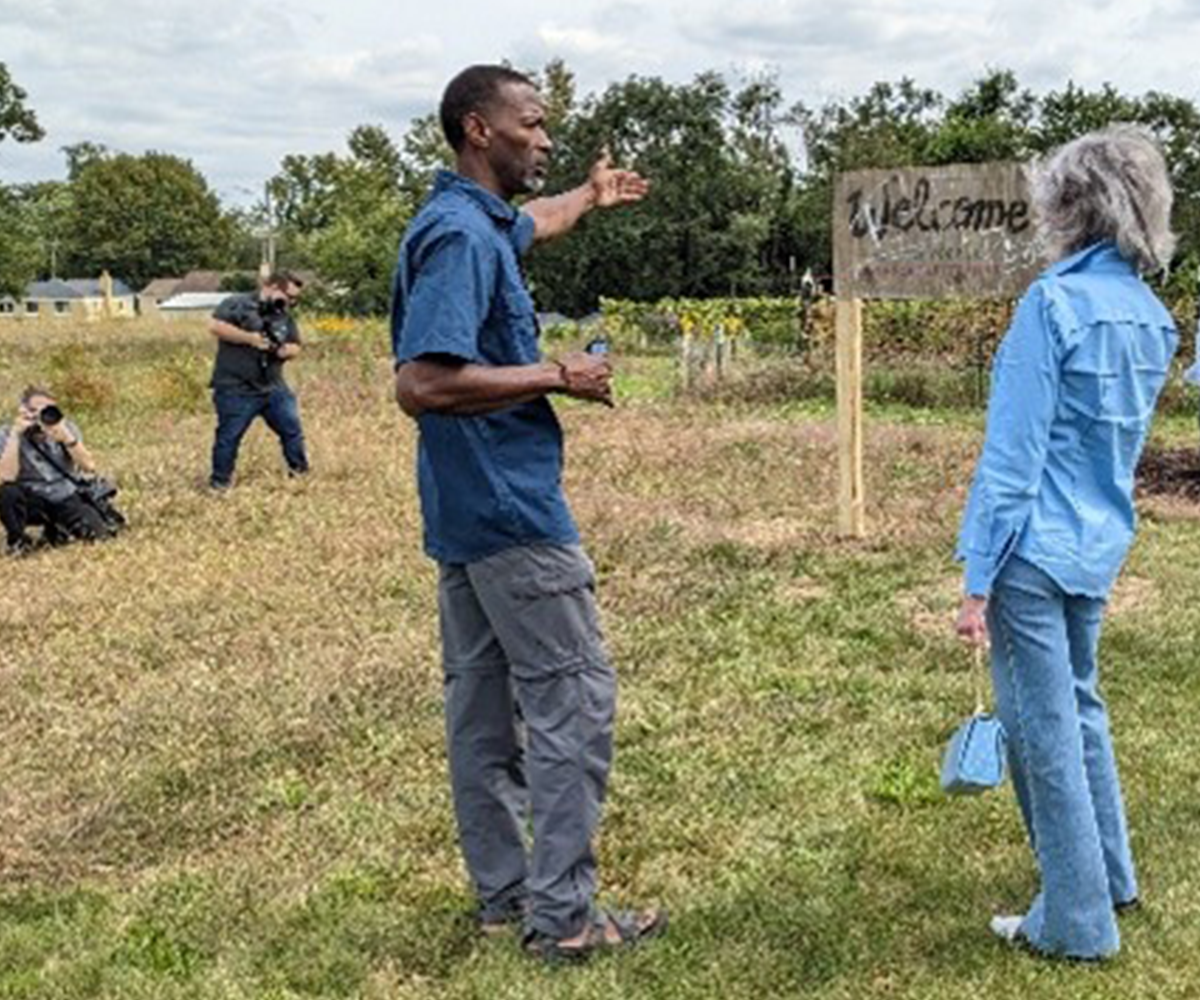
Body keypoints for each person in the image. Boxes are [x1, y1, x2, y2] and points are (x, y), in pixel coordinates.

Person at [391, 64, 665, 961]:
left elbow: (532, 224)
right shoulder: (462, 241)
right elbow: (422, 381)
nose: (546, 138)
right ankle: (565, 920)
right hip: (512, 514)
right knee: (573, 702)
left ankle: (507, 899)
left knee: (482, 713)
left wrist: (587, 195)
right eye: (534, 123)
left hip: (464, 515)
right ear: (479, 129)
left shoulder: (471, 221)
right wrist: (558, 373)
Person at [955, 125, 1178, 960]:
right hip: (1096, 542)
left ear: (1068, 204)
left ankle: (1076, 920)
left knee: (1042, 731)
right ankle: (1111, 875)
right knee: (1081, 710)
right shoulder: (1151, 318)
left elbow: (1012, 462)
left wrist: (977, 581)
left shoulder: (1052, 304)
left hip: (1031, 551)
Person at [208, 271, 309, 489]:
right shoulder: (237, 304)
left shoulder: (284, 315)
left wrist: (286, 351)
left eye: (294, 299)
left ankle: (300, 474)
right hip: (236, 387)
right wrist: (250, 339)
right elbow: (216, 327)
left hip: (273, 387)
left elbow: (296, 344)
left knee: (292, 431)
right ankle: (219, 483)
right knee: (229, 437)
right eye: (288, 296)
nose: (291, 302)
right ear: (272, 287)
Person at [0, 386, 121, 554]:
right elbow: (6, 477)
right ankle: (18, 541)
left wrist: (67, 439)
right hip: (32, 497)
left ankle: (57, 530)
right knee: (7, 493)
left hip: (65, 494)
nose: (40, 417)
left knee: (98, 534)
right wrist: (16, 435)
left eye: (46, 410)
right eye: (34, 410)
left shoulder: (64, 427)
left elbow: (89, 466)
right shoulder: (6, 434)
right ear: (23, 410)